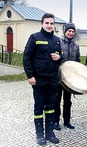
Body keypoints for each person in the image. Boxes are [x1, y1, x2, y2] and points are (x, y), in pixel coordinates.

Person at [23, 13, 63, 145]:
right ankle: (39, 135)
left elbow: (60, 57)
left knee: (51, 107)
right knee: (39, 107)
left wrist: (59, 58)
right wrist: (30, 76)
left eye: (52, 23)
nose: (49, 25)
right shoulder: (34, 37)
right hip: (39, 79)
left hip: (52, 79)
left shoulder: (57, 40)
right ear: (42, 23)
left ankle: (49, 133)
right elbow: (26, 57)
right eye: (47, 23)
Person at [53, 23, 81, 130]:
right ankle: (56, 121)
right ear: (65, 31)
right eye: (69, 31)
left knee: (68, 100)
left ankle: (67, 120)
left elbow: (78, 61)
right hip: (59, 76)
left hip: (70, 78)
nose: (71, 33)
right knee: (57, 99)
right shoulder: (58, 42)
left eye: (73, 31)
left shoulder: (76, 45)